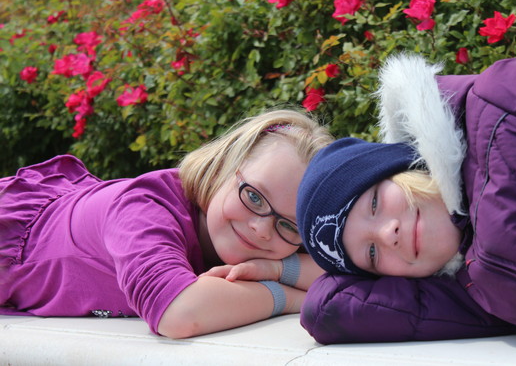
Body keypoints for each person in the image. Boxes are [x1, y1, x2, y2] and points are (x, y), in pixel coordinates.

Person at [296, 39, 516, 346]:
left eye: (374, 203)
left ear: (401, 167)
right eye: (371, 253)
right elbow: (327, 311)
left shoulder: (500, 107)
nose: (389, 233)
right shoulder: (471, 293)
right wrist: (285, 271)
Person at [0, 109, 332, 339]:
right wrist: (295, 300)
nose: (262, 229)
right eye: (254, 197)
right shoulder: (144, 209)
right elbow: (179, 314)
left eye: (289, 225)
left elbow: (344, 272)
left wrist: (276, 269)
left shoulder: (243, 235)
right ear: (220, 169)